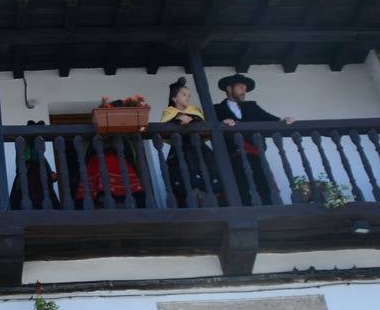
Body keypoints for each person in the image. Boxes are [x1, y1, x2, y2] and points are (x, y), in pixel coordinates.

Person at [216, 74, 294, 206]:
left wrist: (283, 120)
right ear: (229, 88)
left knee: (263, 183)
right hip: (232, 155)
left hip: (255, 152)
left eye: (245, 89)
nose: (244, 91)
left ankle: (269, 210)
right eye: (241, 87)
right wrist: (222, 123)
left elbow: (270, 119)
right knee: (240, 187)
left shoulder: (251, 106)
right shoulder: (216, 108)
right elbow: (211, 124)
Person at [160, 77, 223, 207]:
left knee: (207, 171)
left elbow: (202, 124)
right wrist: (179, 119)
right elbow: (166, 126)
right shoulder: (169, 112)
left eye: (189, 95)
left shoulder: (195, 111)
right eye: (184, 95)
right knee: (183, 175)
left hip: (199, 148)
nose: (187, 98)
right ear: (174, 98)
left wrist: (190, 120)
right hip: (181, 149)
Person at [71, 102, 146, 209]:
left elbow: (130, 154)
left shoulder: (123, 136)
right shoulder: (94, 136)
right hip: (99, 166)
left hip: (119, 166)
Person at [8, 120, 60, 210]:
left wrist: (50, 173)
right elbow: (20, 162)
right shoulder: (24, 145)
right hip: (28, 173)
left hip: (39, 174)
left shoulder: (39, 152)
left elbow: (45, 164)